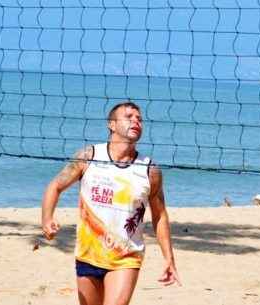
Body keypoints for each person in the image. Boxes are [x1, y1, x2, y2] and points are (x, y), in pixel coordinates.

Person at [41, 101, 180, 305]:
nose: (136, 121)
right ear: (112, 125)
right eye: (129, 117)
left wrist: (169, 258)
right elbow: (55, 186)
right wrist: (47, 218)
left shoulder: (150, 170)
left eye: (139, 119)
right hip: (88, 254)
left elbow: (160, 215)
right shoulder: (89, 156)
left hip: (126, 256)